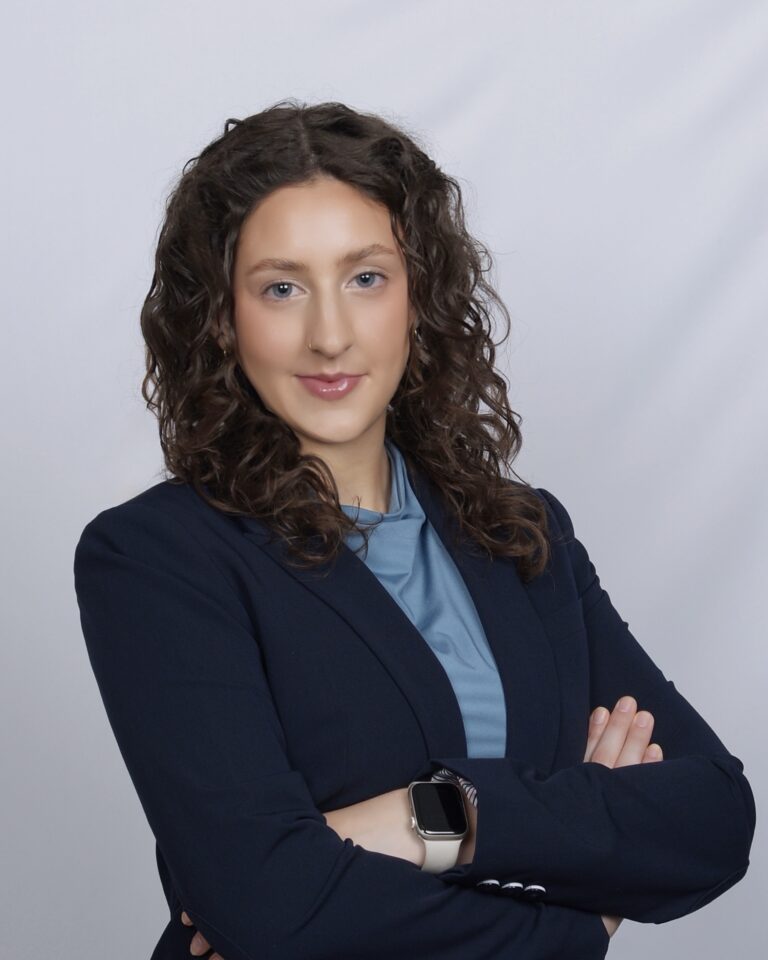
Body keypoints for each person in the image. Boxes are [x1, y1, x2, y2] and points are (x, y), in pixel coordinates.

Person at [73, 99, 755, 960]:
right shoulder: (156, 559)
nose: (330, 336)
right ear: (221, 316)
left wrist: (439, 817)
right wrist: (581, 911)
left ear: (417, 295)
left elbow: (713, 816)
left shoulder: (523, 536)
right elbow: (269, 904)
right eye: (281, 288)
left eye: (365, 278)